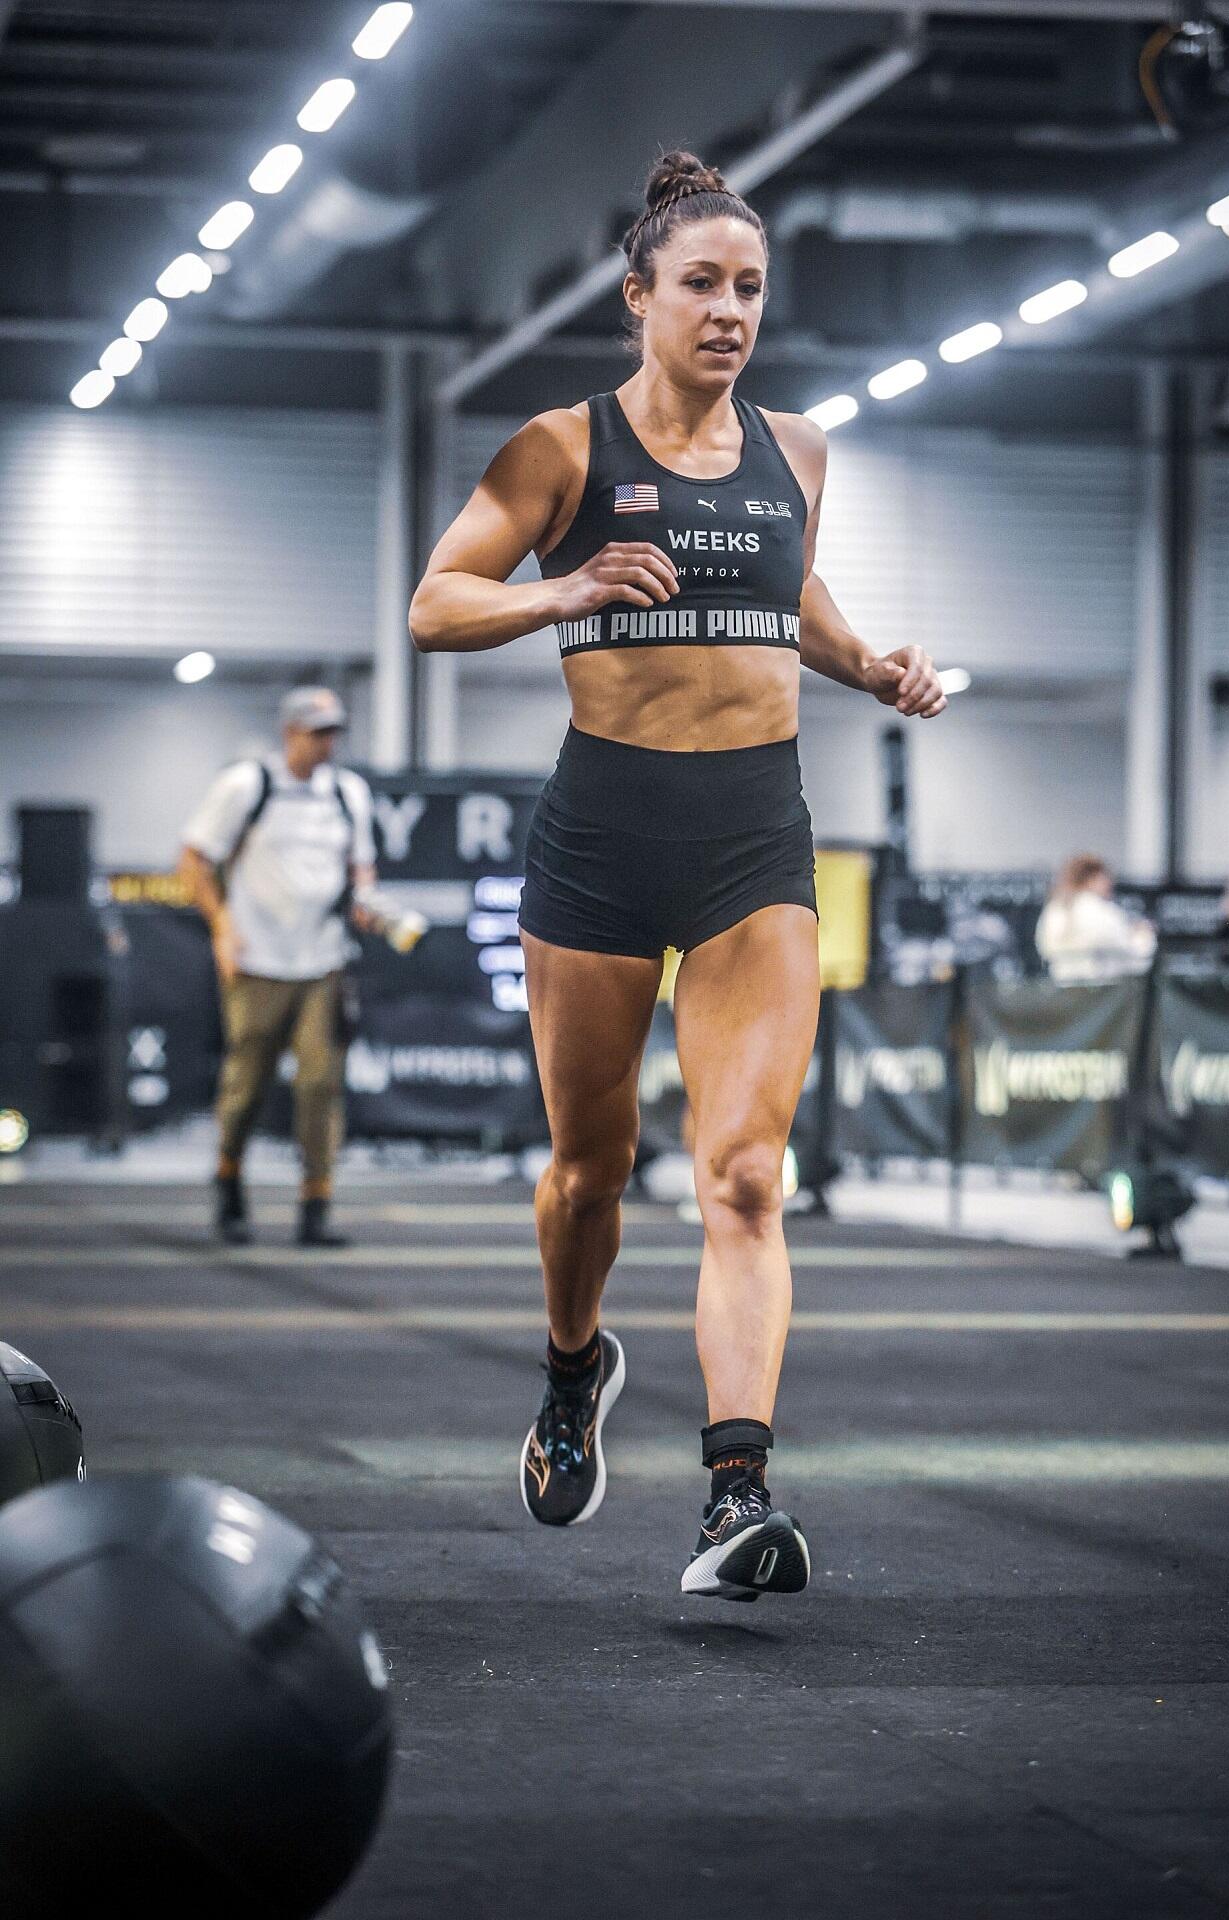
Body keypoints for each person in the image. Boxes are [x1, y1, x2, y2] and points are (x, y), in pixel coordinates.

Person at [409, 152, 946, 1603]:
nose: (727, 312)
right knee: (591, 1172)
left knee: (745, 1177)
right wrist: (561, 591)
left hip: (752, 839)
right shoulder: (559, 450)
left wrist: (867, 662)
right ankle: (573, 1370)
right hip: (599, 840)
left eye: (748, 288)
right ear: (636, 294)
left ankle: (734, 1492)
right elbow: (432, 604)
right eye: (699, 285)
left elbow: (791, 591)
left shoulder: (800, 450)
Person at [178, 686, 376, 1249]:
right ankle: (229, 1182)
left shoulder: (347, 792)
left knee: (320, 1082)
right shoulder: (248, 785)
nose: (328, 744)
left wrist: (365, 900)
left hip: (323, 960)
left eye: (334, 733)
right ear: (290, 733)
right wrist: (222, 927)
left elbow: (361, 866)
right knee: (247, 1081)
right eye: (318, 734)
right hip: (258, 961)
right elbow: (194, 858)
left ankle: (315, 1203)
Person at [1035, 854, 1156, 984]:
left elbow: (1045, 949)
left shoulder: (1055, 909)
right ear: (1092, 879)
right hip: (1103, 994)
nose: (1110, 883)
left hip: (1063, 990)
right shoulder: (1101, 911)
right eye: (1105, 878)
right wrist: (1144, 935)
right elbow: (1134, 959)